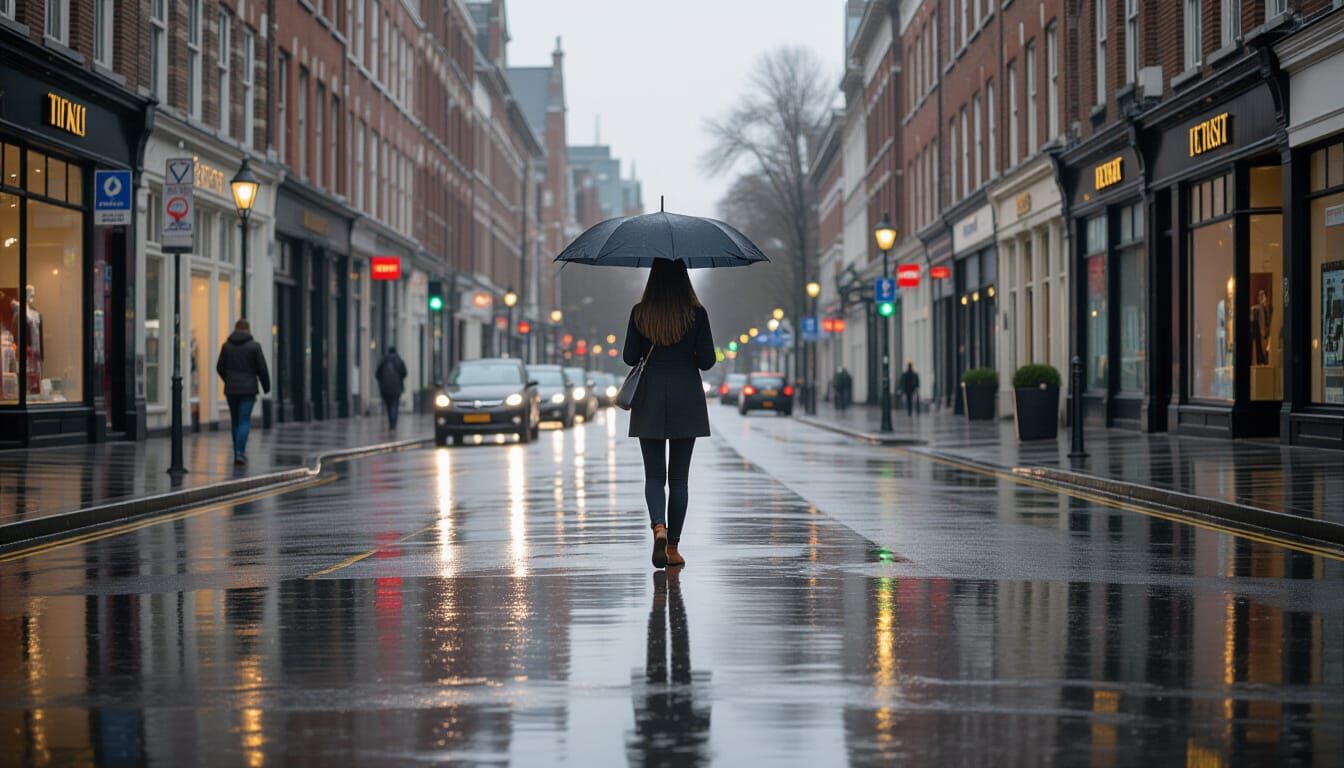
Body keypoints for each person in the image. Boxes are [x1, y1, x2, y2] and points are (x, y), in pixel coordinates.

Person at [622, 259, 715, 569]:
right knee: (679, 480)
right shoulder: (697, 314)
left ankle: (658, 526)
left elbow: (629, 356)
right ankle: (673, 547)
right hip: (686, 398)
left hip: (649, 398)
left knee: (653, 476)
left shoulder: (640, 313)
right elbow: (707, 361)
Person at [215, 319, 271, 467]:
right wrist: (266, 387)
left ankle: (237, 453)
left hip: (231, 389)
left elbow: (219, 367)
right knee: (244, 420)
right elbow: (262, 369)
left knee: (235, 420)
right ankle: (240, 453)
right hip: (248, 389)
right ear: (248, 330)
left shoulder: (226, 347)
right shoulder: (254, 347)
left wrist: (228, 379)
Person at [376, 346, 408, 429]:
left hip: (385, 388)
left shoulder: (384, 360)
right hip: (397, 388)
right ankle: (393, 424)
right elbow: (404, 373)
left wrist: (382, 382)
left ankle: (391, 422)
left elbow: (377, 374)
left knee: (389, 405)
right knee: (395, 405)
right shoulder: (399, 360)